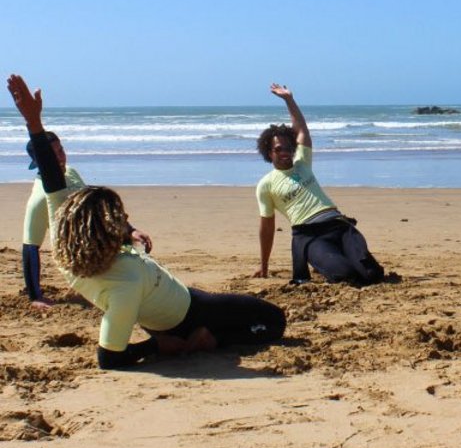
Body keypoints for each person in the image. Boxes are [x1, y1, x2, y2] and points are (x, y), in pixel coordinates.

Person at [7, 75, 286, 370]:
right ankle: (209, 340)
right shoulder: (121, 289)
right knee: (273, 321)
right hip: (187, 311)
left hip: (168, 298)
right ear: (102, 232)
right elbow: (109, 357)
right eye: (114, 221)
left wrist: (34, 123)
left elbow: (51, 177)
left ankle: (205, 337)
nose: (119, 224)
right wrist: (156, 345)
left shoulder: (68, 238)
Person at [255, 84, 385, 286]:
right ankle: (322, 259)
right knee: (346, 275)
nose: (285, 152)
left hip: (338, 225)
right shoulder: (266, 184)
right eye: (279, 149)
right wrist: (264, 265)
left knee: (372, 274)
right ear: (269, 151)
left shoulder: (302, 163)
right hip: (310, 235)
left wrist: (289, 99)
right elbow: (267, 227)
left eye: (288, 148)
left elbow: (301, 129)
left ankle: (338, 256)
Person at [21, 130, 152, 309]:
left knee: (143, 270)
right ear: (39, 161)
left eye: (61, 151)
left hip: (99, 241)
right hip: (79, 258)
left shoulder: (71, 173)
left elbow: (99, 208)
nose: (60, 158)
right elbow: (30, 247)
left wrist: (131, 231)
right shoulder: (40, 197)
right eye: (52, 155)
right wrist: (35, 296)